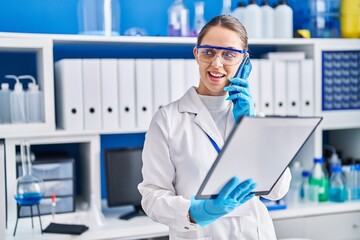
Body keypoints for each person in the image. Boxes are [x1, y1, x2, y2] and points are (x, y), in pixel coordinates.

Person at [138, 15, 291, 239]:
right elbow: (152, 197)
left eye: (229, 54)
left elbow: (279, 189)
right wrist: (197, 211)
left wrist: (250, 127)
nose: (217, 63)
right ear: (196, 54)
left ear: (245, 61)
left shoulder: (253, 117)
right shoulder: (167, 120)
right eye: (209, 52)